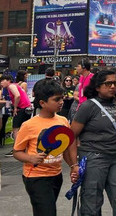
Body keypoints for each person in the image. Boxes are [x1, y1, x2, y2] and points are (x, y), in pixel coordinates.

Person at [70, 69, 116, 216]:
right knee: (91, 202)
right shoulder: (88, 106)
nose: (113, 86)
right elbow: (71, 136)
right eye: (108, 84)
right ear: (97, 87)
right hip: (94, 158)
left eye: (115, 83)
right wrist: (74, 165)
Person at [12, 79, 78, 216]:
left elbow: (67, 147)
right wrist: (31, 158)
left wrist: (74, 166)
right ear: (42, 103)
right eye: (56, 99)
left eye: (62, 98)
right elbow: (17, 152)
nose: (61, 102)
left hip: (56, 175)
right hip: (36, 178)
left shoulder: (63, 121)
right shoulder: (29, 125)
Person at [0, 74, 32, 156]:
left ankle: (17, 148)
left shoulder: (11, 86)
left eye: (2, 81)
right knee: (23, 128)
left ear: (7, 81)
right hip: (26, 108)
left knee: (16, 128)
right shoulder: (15, 86)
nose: (1, 83)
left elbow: (17, 96)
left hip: (22, 108)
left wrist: (15, 108)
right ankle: (24, 147)